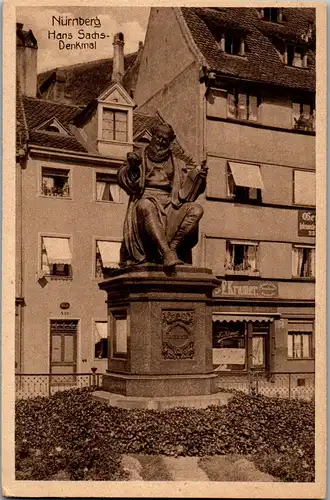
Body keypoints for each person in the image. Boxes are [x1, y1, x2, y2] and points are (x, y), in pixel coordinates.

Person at [117, 122, 208, 268]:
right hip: (144, 202)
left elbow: (187, 193)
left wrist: (199, 179)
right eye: (158, 137)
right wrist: (132, 167)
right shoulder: (137, 156)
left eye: (165, 139)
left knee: (196, 209)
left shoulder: (177, 162)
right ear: (152, 136)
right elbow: (123, 179)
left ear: (170, 141)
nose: (160, 141)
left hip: (171, 203)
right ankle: (166, 252)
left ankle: (172, 249)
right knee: (146, 205)